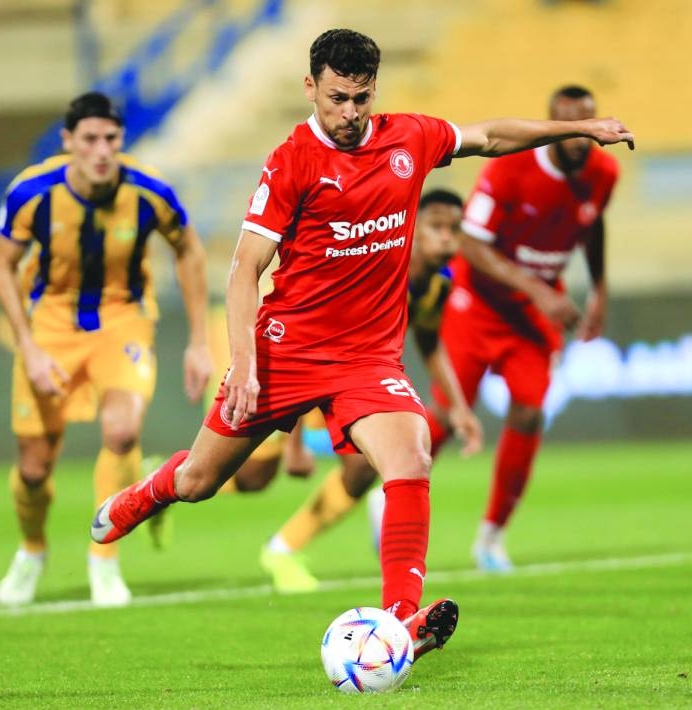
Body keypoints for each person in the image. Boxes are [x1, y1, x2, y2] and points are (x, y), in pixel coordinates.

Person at [91, 29, 633, 660]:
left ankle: (400, 622)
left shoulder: (409, 138)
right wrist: (244, 365)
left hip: (367, 360)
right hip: (286, 351)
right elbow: (243, 270)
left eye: (361, 98)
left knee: (412, 457)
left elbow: (488, 136)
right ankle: (146, 494)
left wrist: (579, 129)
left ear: (374, 90)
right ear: (310, 87)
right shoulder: (291, 161)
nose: (349, 113)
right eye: (337, 99)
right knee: (199, 481)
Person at [0, 92, 213, 607]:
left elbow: (189, 251)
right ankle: (31, 549)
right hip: (50, 326)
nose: (101, 150)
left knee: (122, 430)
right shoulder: (32, 192)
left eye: (111, 138)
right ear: (68, 140)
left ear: (121, 140)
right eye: (89, 139)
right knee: (34, 469)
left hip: (123, 319)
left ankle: (104, 560)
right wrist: (28, 347)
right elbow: (2, 265)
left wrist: (200, 342)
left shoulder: (150, 190)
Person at [423, 84, 621, 572]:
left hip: (532, 313)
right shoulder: (509, 168)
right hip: (478, 302)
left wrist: (599, 289)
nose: (580, 141)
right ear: (557, 126)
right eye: (571, 130)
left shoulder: (604, 173)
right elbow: (471, 244)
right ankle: (393, 492)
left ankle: (491, 538)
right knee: (447, 415)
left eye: (586, 129)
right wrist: (537, 289)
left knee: (531, 411)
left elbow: (593, 224)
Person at [249, 188, 483, 593]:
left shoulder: (438, 284)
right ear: (412, 228)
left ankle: (282, 549)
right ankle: (163, 484)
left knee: (360, 468)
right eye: (437, 226)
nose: (447, 237)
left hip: (347, 381)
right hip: (291, 368)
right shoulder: (374, 271)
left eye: (455, 229)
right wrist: (295, 444)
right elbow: (309, 345)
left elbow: (429, 343)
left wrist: (459, 407)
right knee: (245, 476)